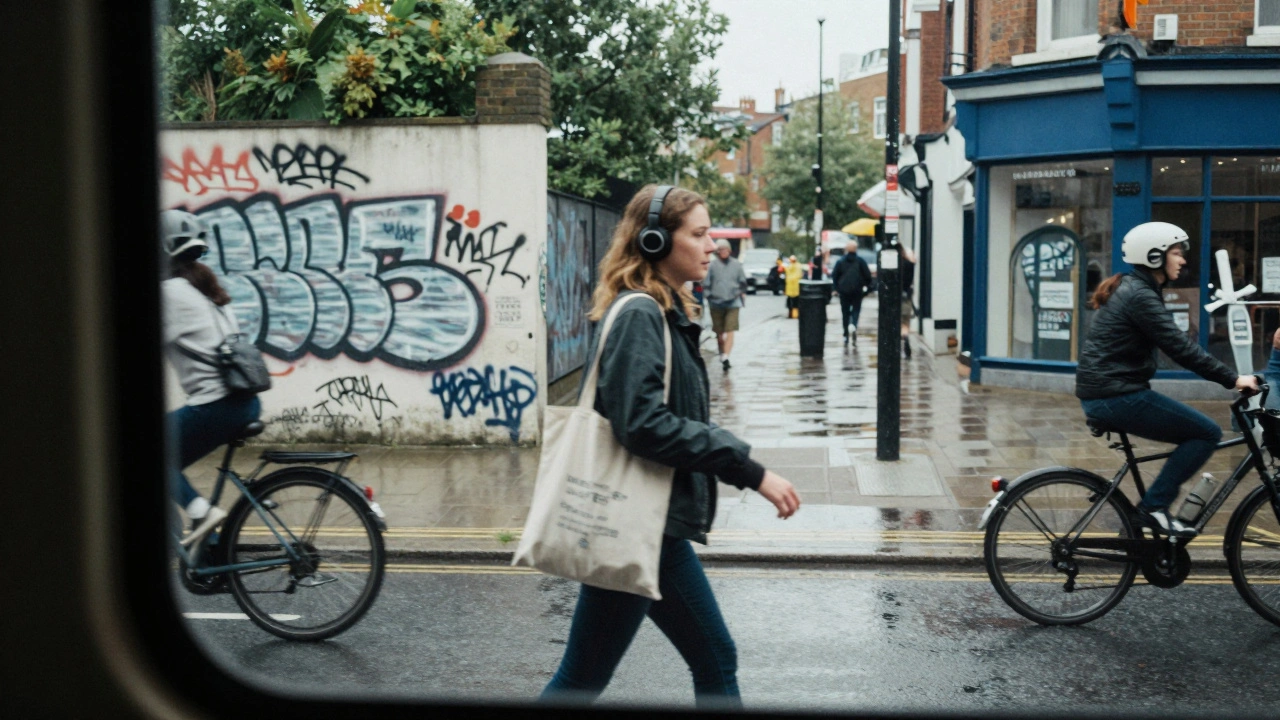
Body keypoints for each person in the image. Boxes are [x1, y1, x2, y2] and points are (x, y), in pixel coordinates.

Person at [541, 185, 801, 708]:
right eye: (700, 234)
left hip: (654, 526)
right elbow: (642, 423)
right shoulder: (641, 314)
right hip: (636, 524)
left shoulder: (663, 311)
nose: (712, 245)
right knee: (586, 679)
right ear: (656, 241)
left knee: (706, 660)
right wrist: (747, 468)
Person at [1077, 221, 1259, 538]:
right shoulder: (1139, 296)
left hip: (1109, 392)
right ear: (1154, 256)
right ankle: (1153, 509)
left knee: (1195, 432)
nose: (1183, 260)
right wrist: (1234, 379)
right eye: (1176, 253)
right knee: (1206, 432)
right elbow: (1179, 347)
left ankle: (1147, 518)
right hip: (1114, 395)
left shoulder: (1138, 290)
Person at [161, 209, 264, 547]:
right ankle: (210, 555)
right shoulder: (207, 290)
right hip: (243, 403)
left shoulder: (169, 293)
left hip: (216, 406)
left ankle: (200, 513)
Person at [704, 238, 748, 371]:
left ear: (729, 250)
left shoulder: (736, 265)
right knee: (719, 332)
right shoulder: (712, 266)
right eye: (720, 249)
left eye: (725, 249)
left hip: (733, 302)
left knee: (730, 329)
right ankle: (722, 351)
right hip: (716, 302)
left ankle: (726, 356)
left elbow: (743, 282)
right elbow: (706, 283)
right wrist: (709, 295)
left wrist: (740, 292)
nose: (723, 252)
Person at [831, 240, 873, 346]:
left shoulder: (840, 261)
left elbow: (835, 276)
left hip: (844, 291)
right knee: (856, 309)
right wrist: (867, 288)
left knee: (845, 312)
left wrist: (836, 288)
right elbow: (868, 276)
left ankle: (846, 334)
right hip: (857, 290)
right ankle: (853, 324)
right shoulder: (860, 261)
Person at [896, 240, 918, 359]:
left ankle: (897, 344)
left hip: (894, 298)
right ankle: (905, 337)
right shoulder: (909, 264)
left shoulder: (892, 265)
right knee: (905, 322)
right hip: (906, 296)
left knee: (895, 321)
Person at [784, 254, 804, 318]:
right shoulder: (798, 266)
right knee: (796, 302)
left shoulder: (789, 267)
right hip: (796, 288)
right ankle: (795, 315)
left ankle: (791, 314)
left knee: (791, 302)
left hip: (790, 288)